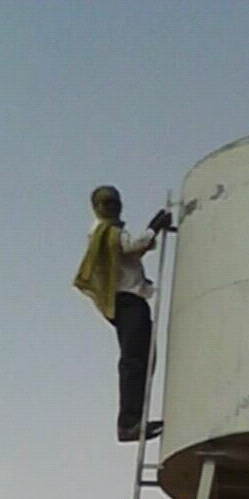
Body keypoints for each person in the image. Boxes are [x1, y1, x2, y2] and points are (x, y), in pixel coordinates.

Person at [73, 186, 172, 442]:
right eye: (106, 203)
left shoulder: (105, 233)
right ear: (97, 207)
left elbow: (129, 254)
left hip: (129, 300)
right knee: (134, 360)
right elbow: (132, 246)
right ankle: (129, 422)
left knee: (143, 358)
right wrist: (154, 227)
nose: (111, 207)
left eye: (113, 203)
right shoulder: (106, 231)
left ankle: (135, 419)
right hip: (127, 301)